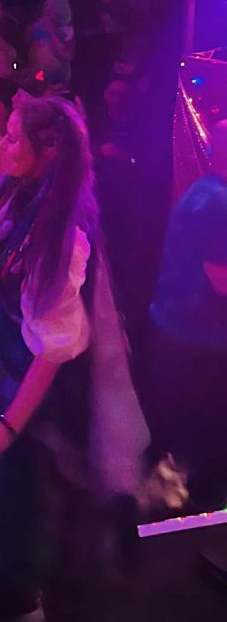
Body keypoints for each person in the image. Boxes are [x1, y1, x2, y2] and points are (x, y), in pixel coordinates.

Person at [0, 98, 147, 619]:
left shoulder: (60, 235)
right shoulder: (25, 196)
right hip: (1, 366)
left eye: (15, 138)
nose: (4, 145)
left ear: (48, 151)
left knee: (23, 504)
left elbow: (56, 345)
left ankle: (23, 602)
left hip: (32, 391)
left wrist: (9, 425)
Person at [146, 119, 227, 510]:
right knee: (202, 441)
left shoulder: (204, 192)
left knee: (182, 434)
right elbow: (222, 279)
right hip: (196, 340)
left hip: (178, 334)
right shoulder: (218, 203)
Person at [26, 0, 76, 89]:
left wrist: (50, 30)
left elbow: (67, 55)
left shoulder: (66, 30)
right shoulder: (39, 25)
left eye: (51, 7)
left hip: (57, 76)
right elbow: (31, 45)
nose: (47, 10)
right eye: (46, 6)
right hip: (39, 73)